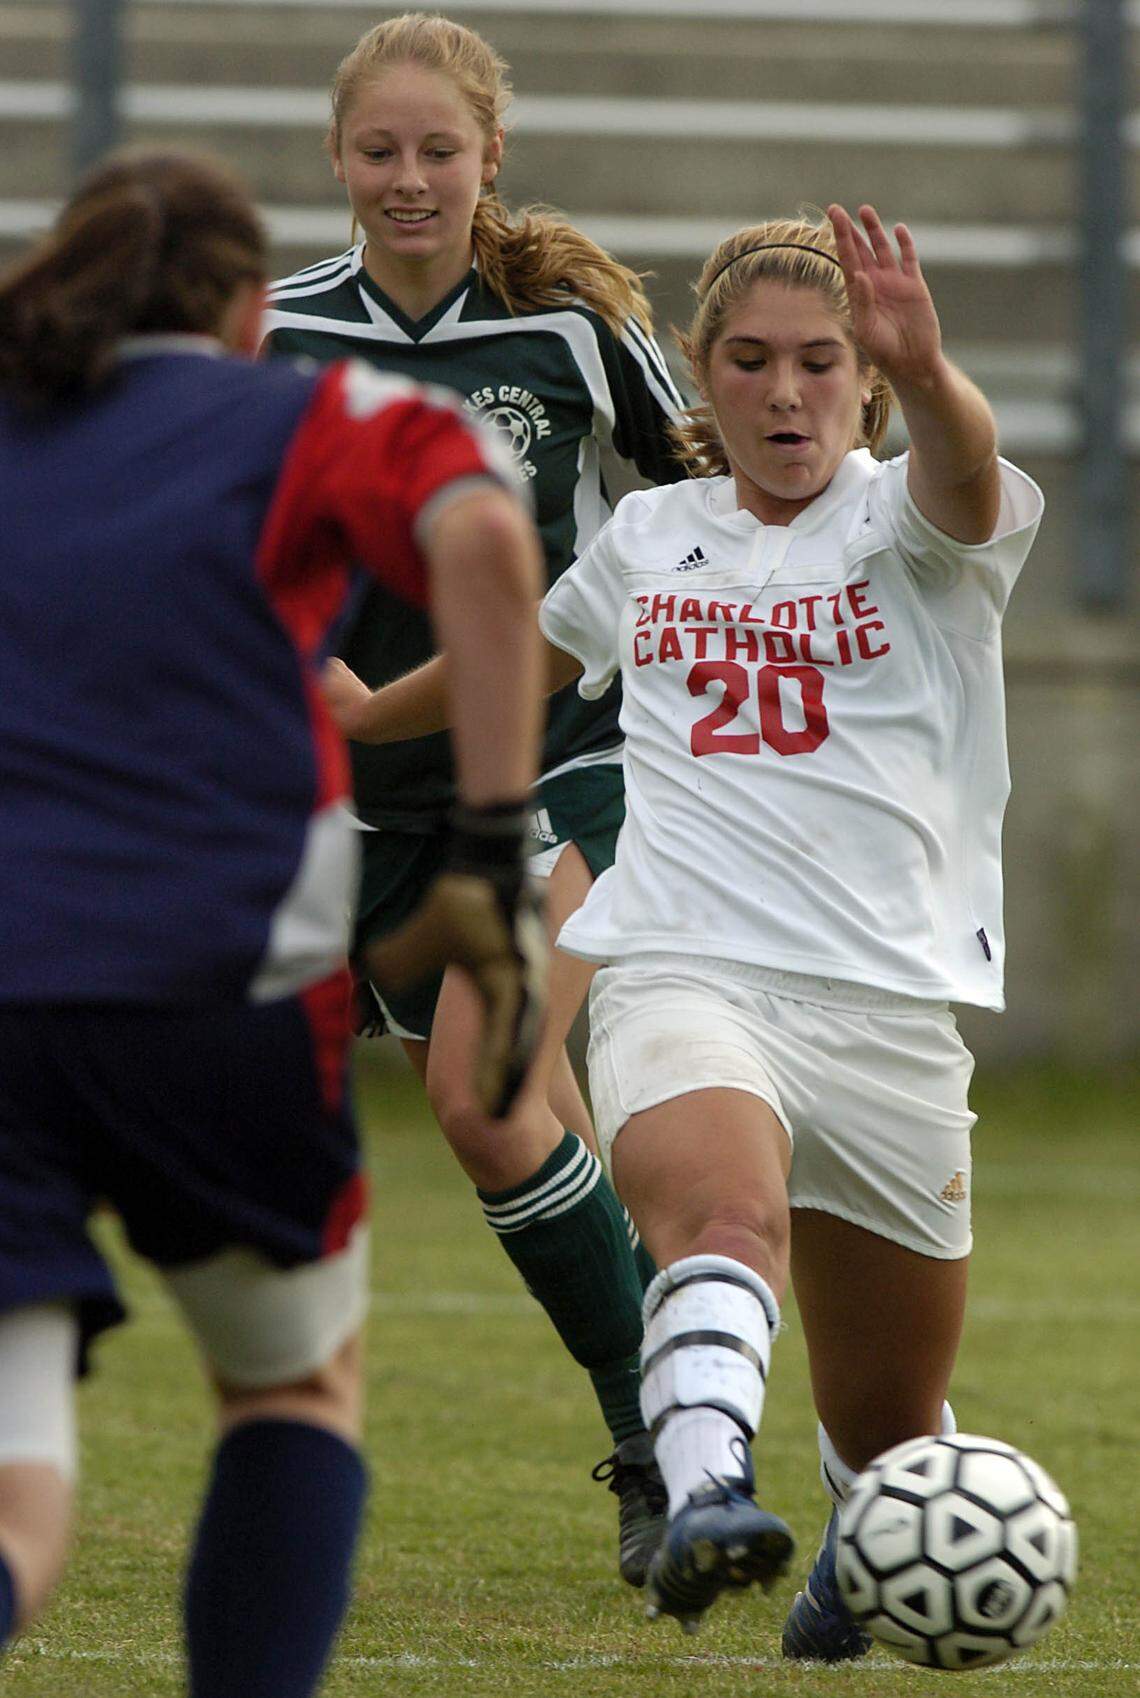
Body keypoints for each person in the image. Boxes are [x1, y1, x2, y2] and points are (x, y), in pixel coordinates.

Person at [330, 204, 1044, 1642]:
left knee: (891, 1430)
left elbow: (966, 473)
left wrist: (935, 372)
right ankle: (706, 1492)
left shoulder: (911, 523)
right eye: (751, 360)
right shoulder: (654, 534)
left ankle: (862, 1544)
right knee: (723, 1217)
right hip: (684, 966)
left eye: (824, 361)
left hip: (888, 1006)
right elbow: (521, 654)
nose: (787, 392)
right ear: (704, 377)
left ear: (868, 379)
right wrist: (364, 716)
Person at [0, 147, 546, 1698]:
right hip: (218, 992)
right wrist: (492, 845)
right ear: (253, 310)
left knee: (11, 1487)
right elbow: (486, 538)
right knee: (291, 1386)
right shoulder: (301, 413)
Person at [265, 11, 685, 1582]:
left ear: (490, 155)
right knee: (531, 1129)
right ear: (336, 157)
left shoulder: (569, 330)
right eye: (380, 149)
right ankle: (697, 1380)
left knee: (483, 1094)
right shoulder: (279, 337)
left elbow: (707, 501)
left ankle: (659, 1453)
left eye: (438, 149)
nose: (409, 177)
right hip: (365, 807)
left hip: (560, 766)